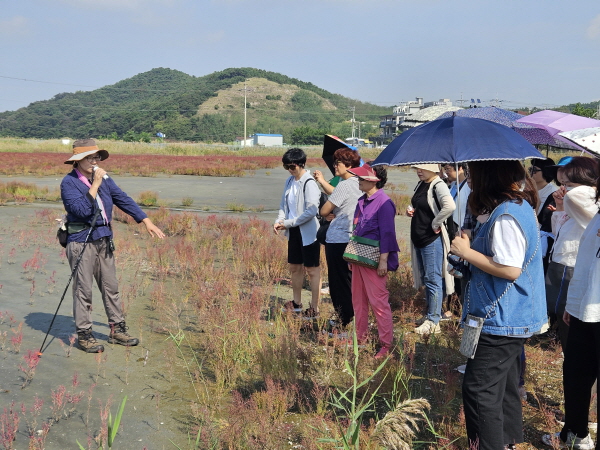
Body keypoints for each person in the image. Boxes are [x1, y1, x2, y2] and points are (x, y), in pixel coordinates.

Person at [450, 160, 547, 450]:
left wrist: (466, 252)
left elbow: (509, 269)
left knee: (479, 389)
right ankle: (508, 441)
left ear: (487, 175)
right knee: (503, 384)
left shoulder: (506, 214)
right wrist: (473, 243)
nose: (469, 178)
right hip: (507, 315)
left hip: (501, 317)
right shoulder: (514, 208)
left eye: (472, 172)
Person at [60, 139, 165, 353]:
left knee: (111, 287)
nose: (94, 161)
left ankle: (117, 330)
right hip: (81, 241)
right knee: (83, 290)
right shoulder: (69, 183)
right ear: (78, 161)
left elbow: (122, 198)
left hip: (103, 239)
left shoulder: (106, 179)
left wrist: (146, 221)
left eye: (96, 157)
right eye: (89, 157)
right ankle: (85, 335)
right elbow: (80, 210)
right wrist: (95, 183)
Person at [346, 164, 399, 359]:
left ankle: (386, 345)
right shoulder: (362, 200)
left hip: (375, 260)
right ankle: (360, 337)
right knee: (358, 300)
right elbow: (356, 229)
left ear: (374, 180)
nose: (358, 181)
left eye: (362, 178)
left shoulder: (384, 202)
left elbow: (387, 233)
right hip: (359, 257)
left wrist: (383, 261)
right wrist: (352, 256)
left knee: (378, 302)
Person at [545, 156, 598, 350]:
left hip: (572, 267)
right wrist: (560, 207)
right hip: (562, 264)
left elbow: (577, 195)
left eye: (567, 184)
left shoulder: (589, 201)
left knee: (572, 324)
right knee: (562, 315)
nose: (563, 189)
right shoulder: (577, 203)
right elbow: (557, 232)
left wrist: (574, 192)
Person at [313, 148, 361, 330]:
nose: (335, 166)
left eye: (337, 163)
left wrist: (328, 211)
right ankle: (352, 314)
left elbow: (324, 210)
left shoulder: (345, 184)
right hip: (354, 237)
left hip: (338, 238)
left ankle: (343, 317)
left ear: (349, 165)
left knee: (337, 281)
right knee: (350, 279)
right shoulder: (361, 183)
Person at [407, 164, 456, 335]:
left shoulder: (438, 184)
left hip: (432, 239)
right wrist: (412, 210)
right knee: (428, 278)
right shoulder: (422, 184)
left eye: (422, 167)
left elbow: (449, 206)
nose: (419, 171)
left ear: (433, 168)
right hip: (420, 238)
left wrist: (436, 222)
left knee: (433, 279)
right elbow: (422, 204)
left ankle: (434, 320)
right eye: (417, 168)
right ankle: (430, 315)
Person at [274, 147, 322, 318]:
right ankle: (296, 303)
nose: (289, 170)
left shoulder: (309, 183)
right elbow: (283, 205)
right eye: (286, 167)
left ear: (301, 164)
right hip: (293, 230)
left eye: (292, 167)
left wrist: (288, 223)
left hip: (309, 232)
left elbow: (311, 211)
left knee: (312, 269)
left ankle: (314, 308)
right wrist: (279, 221)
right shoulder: (289, 181)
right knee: (295, 267)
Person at [529, 158, 558, 273]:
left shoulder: (553, 193)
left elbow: (544, 219)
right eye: (530, 169)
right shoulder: (527, 188)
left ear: (546, 172)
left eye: (535, 170)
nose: (531, 173)